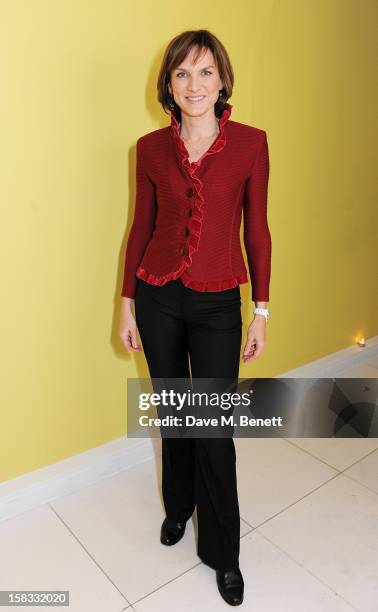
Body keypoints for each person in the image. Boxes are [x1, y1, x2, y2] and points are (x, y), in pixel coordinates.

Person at [119, 29, 271, 607]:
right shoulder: (150, 148)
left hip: (215, 304)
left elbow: (256, 229)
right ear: (169, 85)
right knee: (174, 413)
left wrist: (260, 309)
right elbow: (141, 227)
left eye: (205, 72)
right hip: (156, 296)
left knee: (213, 427)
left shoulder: (251, 143)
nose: (194, 84)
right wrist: (127, 302)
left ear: (222, 80)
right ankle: (178, 507)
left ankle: (224, 553)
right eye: (182, 73)